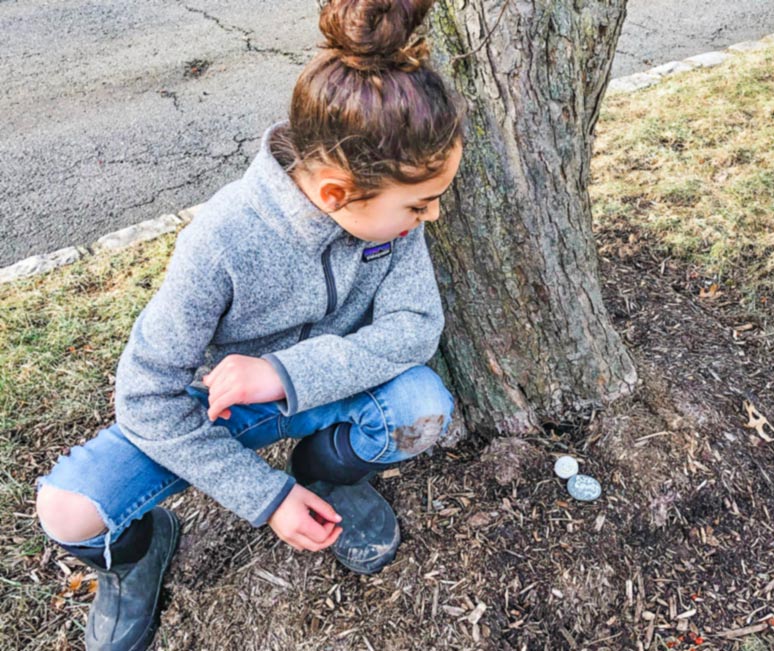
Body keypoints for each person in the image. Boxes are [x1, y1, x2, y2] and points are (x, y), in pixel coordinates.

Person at [34, 1, 466, 649]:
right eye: (420, 203)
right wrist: (267, 497)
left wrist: (284, 374)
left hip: (318, 392)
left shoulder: (389, 219)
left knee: (422, 408)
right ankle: (139, 556)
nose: (430, 216)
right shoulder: (221, 240)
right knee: (67, 508)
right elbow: (145, 398)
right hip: (211, 408)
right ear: (335, 194)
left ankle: (327, 473)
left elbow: (414, 326)